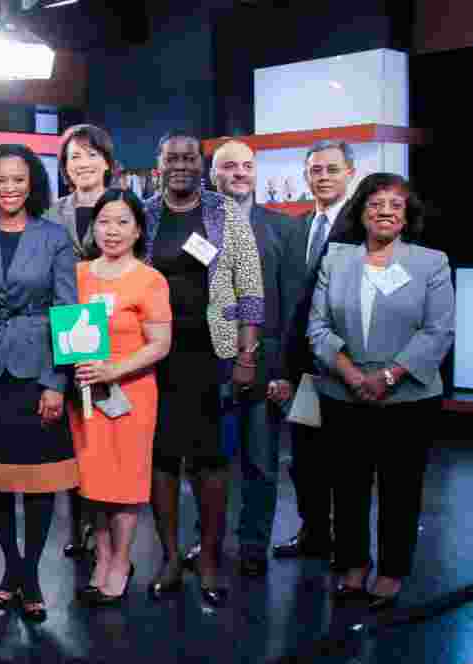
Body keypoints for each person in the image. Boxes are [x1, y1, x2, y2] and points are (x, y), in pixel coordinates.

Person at [308, 173, 454, 610]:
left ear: (407, 216)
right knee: (347, 487)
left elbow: (437, 331)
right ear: (362, 212)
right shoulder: (336, 258)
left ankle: (391, 571)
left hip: (409, 399)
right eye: (376, 203)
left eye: (395, 204)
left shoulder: (431, 263)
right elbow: (317, 327)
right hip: (343, 394)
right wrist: (352, 375)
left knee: (400, 489)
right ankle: (352, 565)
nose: (385, 211)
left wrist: (388, 376)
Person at [0, 144, 79, 622]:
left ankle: (27, 575)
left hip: (38, 371)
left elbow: (68, 312)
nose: (10, 189)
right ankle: (13, 571)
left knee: (40, 480)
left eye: (19, 180)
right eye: (1, 180)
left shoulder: (55, 237)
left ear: (33, 185)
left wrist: (56, 383)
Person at [142, 131, 264, 607]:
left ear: (201, 163)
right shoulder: (145, 212)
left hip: (213, 353)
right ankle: (171, 557)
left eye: (189, 157)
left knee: (212, 461)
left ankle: (209, 557)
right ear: (159, 163)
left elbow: (249, 286)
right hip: (155, 354)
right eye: (171, 157)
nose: (180, 165)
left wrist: (246, 357)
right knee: (163, 458)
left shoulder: (225, 212)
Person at [184, 140, 296, 577]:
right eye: (229, 166)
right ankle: (205, 541)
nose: (240, 173)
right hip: (205, 363)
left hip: (263, 365)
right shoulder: (193, 227)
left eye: (247, 166)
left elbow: (290, 303)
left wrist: (284, 370)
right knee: (205, 462)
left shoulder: (283, 229)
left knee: (261, 462)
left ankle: (252, 544)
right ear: (213, 174)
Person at [70, 189, 172, 606]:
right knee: (94, 481)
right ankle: (103, 555)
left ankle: (121, 561)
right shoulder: (77, 274)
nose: (111, 231)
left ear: (138, 230)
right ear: (93, 227)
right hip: (86, 396)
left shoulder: (150, 279)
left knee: (125, 484)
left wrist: (114, 368)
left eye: (122, 222)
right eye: (104, 221)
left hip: (131, 395)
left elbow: (160, 344)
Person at [272, 140, 358, 565]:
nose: (322, 177)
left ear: (350, 173)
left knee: (346, 460)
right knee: (306, 457)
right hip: (304, 368)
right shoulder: (298, 225)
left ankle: (348, 546)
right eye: (315, 170)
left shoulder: (362, 227)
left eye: (331, 169)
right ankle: (314, 534)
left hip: (346, 364)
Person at [45, 123, 116, 559]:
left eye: (91, 155)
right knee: (76, 432)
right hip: (70, 324)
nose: (83, 163)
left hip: (119, 325)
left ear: (107, 161)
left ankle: (107, 524)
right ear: (65, 167)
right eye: (74, 157)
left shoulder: (126, 206)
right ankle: (80, 525)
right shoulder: (54, 212)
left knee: (110, 428)